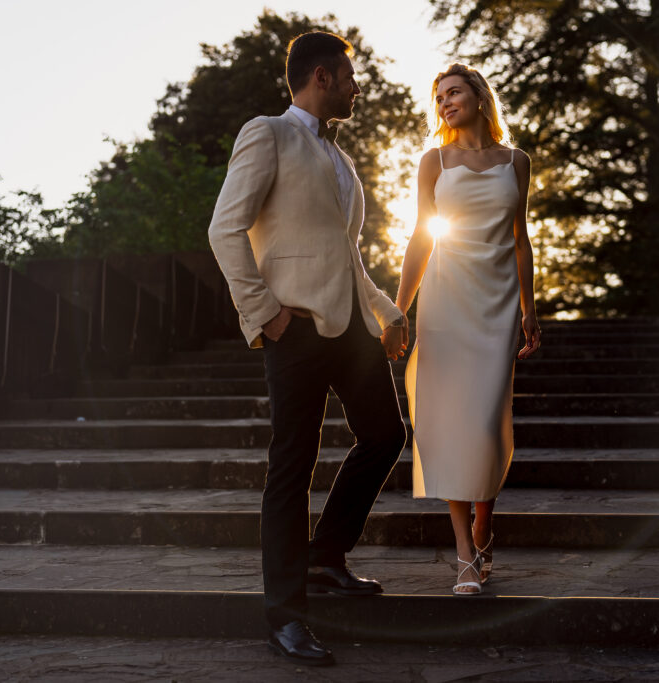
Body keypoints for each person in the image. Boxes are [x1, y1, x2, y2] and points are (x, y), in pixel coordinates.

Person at [207, 31, 408, 667]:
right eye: (349, 77)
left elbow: (345, 255)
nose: (356, 87)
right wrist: (264, 313)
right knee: (291, 469)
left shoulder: (342, 161)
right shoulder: (266, 132)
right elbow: (223, 227)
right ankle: (285, 619)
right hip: (291, 329)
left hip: (349, 327)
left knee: (385, 435)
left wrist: (388, 311)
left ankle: (326, 555)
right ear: (321, 77)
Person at [394, 63, 541, 596]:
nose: (445, 103)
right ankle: (465, 552)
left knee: (484, 421)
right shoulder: (434, 160)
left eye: (453, 92)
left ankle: (485, 521)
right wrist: (399, 308)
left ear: (480, 96)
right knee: (453, 423)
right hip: (446, 300)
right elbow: (420, 237)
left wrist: (530, 307)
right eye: (438, 97)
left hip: (498, 302)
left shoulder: (516, 161)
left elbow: (521, 238)